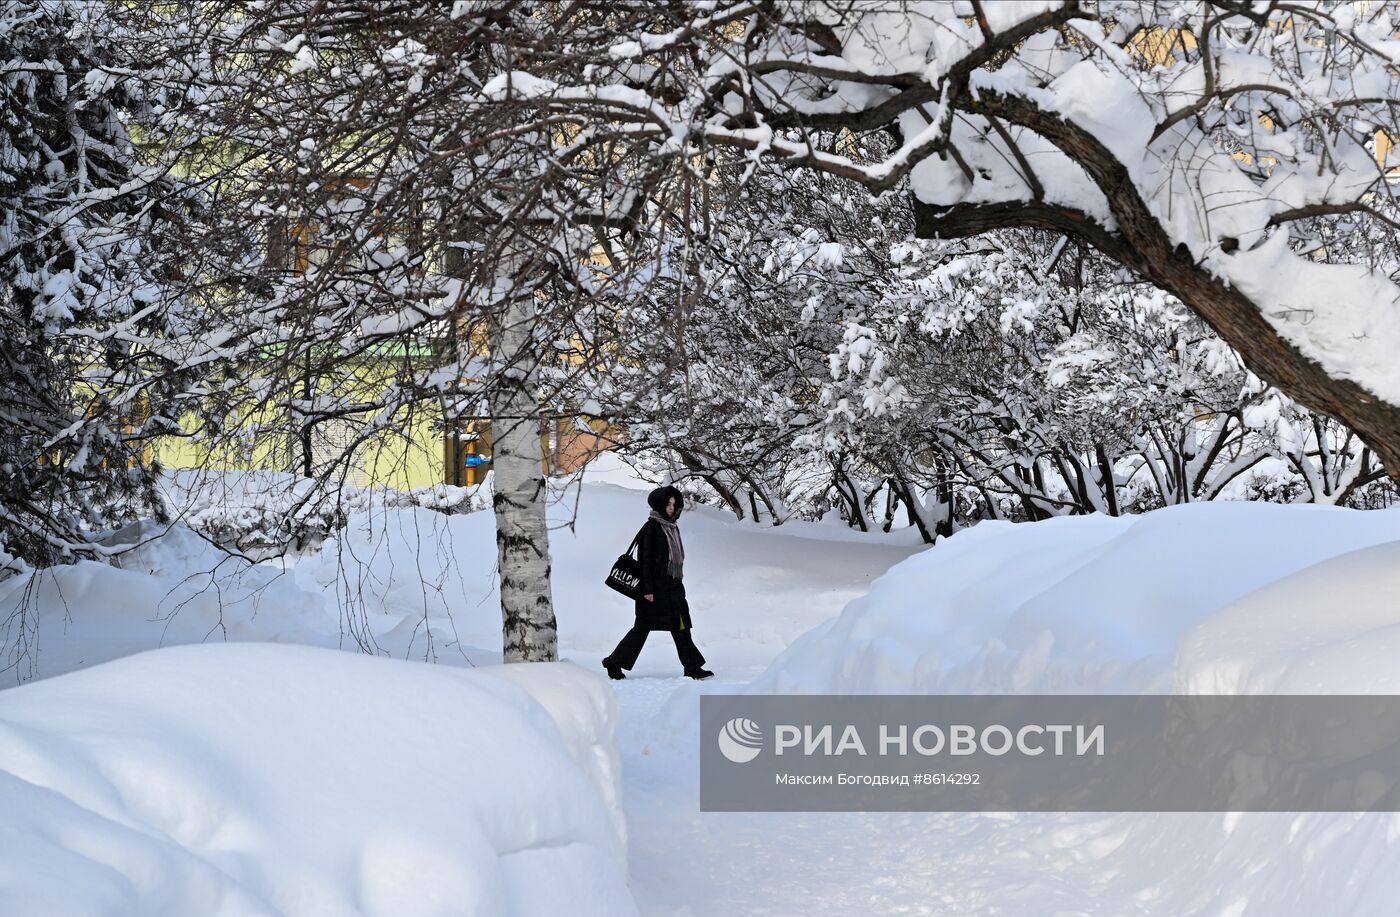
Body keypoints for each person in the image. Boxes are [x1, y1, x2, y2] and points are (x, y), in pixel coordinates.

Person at [603, 485, 714, 680]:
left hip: (673, 587)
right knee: (642, 628)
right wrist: (647, 589)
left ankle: (693, 667)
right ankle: (614, 662)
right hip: (654, 590)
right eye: (667, 504)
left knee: (681, 626)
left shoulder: (672, 528)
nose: (671, 507)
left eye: (673, 504)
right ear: (659, 504)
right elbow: (644, 560)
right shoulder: (651, 527)